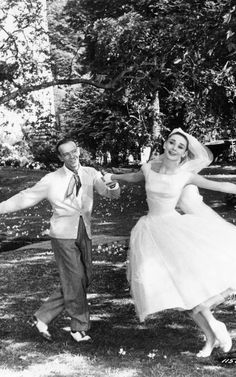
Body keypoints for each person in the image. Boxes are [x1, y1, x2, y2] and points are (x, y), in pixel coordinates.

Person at [103, 130, 236, 358]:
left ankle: (214, 327)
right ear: (165, 144)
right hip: (150, 233)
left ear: (185, 153)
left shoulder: (185, 176)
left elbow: (220, 186)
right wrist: (112, 177)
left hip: (175, 231)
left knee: (189, 288)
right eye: (171, 143)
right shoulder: (148, 168)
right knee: (177, 293)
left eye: (180, 147)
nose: (174, 148)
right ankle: (211, 334)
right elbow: (134, 177)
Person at [0, 138, 120, 343]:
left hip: (85, 230)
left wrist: (114, 185)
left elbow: (110, 194)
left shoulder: (90, 173)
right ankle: (78, 327)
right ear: (60, 157)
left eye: (74, 151)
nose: (72, 156)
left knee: (84, 278)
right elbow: (25, 197)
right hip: (62, 234)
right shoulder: (51, 179)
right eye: (66, 154)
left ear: (79, 150)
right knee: (75, 278)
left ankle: (42, 317)